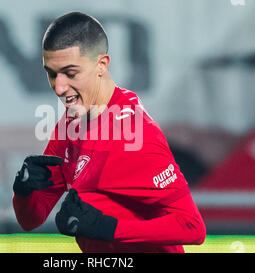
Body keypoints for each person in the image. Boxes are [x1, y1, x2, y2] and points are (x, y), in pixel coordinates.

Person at [12, 11, 205, 253]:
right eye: (51, 73)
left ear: (101, 65)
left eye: (71, 74)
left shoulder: (136, 135)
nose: (59, 87)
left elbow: (192, 227)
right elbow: (31, 219)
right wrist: (24, 191)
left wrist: (111, 228)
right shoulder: (70, 122)